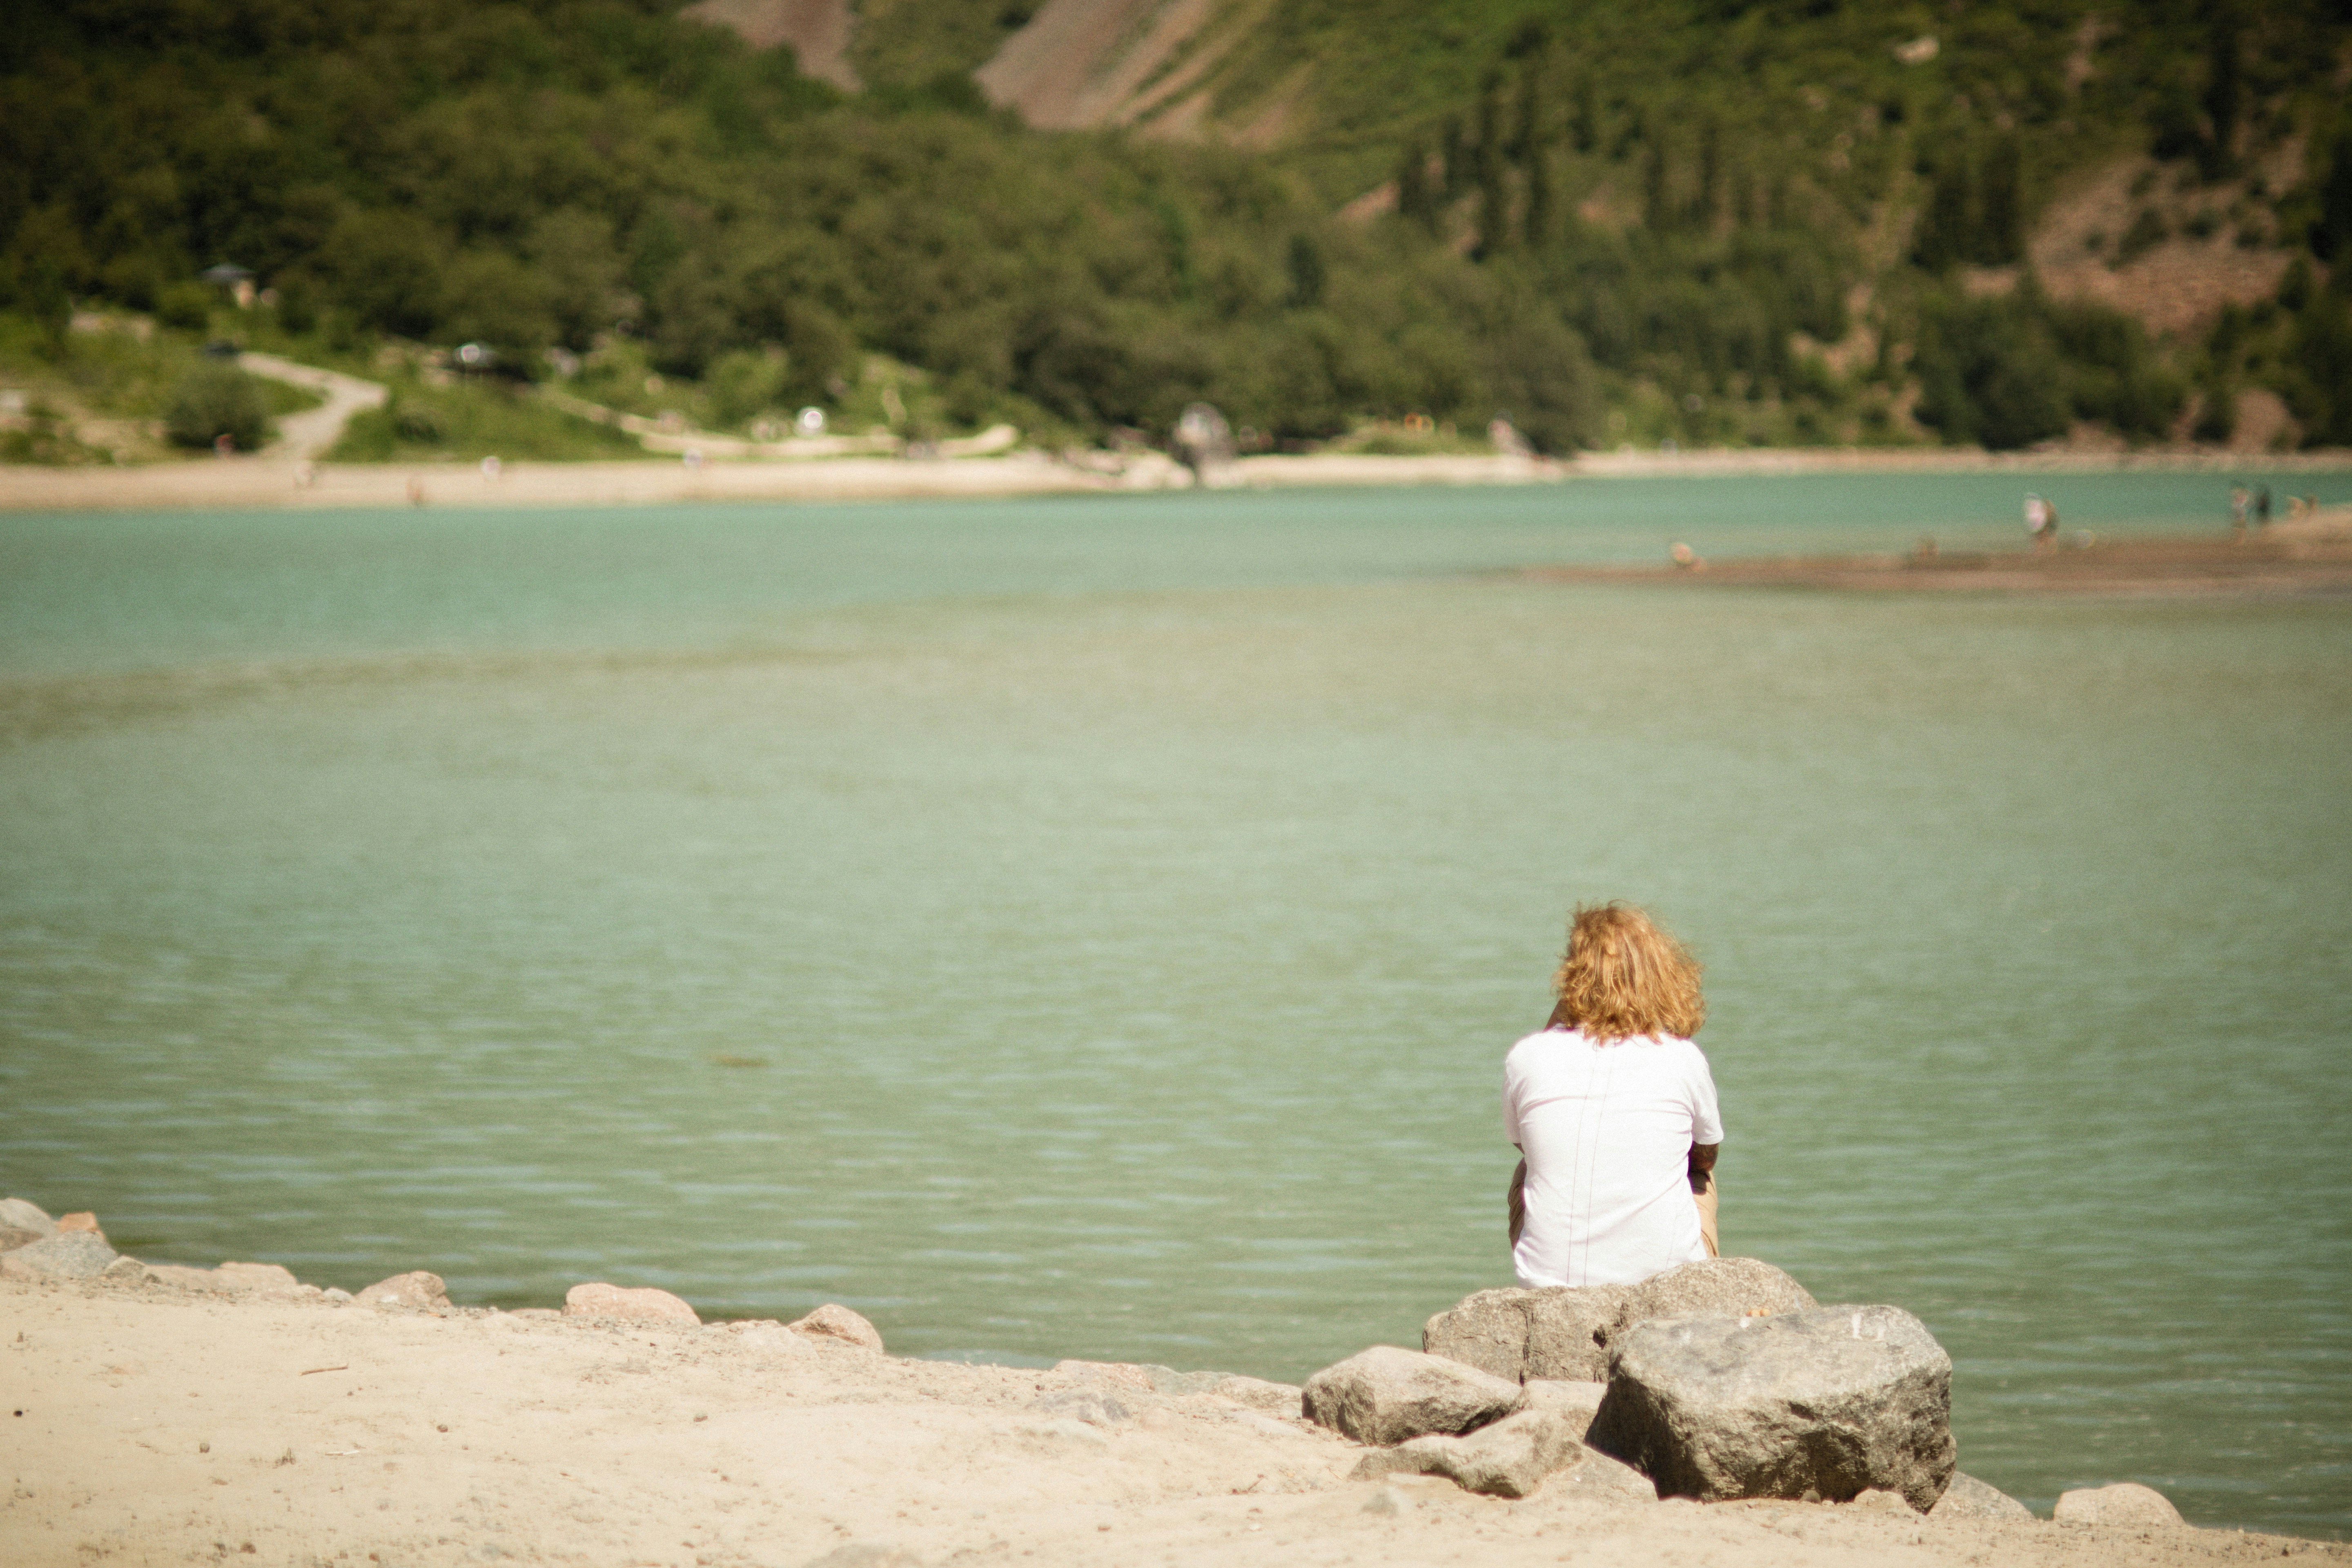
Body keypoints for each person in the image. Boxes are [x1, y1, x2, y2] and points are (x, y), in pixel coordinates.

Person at [1502, 903, 1723, 1289]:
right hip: (1663, 1283)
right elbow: (1704, 1154)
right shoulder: (1683, 1058)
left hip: (1552, 1283)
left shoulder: (1528, 1056)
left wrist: (1567, 1011)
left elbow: (1525, 1144)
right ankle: (1695, 1290)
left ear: (1571, 978)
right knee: (1697, 1172)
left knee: (1530, 1169)